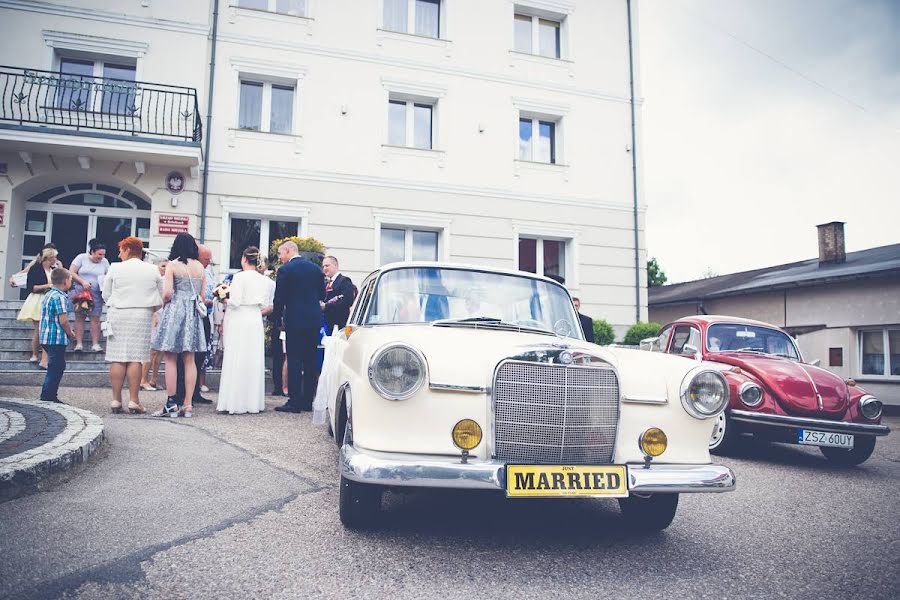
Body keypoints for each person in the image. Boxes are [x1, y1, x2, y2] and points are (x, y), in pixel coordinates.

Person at [102, 237, 163, 414]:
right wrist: (152, 308)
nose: (119, 253)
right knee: (135, 357)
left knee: (118, 357)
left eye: (121, 250)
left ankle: (115, 400)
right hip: (141, 314)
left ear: (128, 249)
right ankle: (134, 400)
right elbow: (159, 294)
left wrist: (114, 302)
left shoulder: (115, 267)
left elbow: (106, 293)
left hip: (118, 313)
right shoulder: (152, 269)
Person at [151, 232, 207, 418]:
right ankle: (188, 404)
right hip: (192, 313)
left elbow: (167, 293)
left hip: (175, 311)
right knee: (190, 359)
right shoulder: (200, 267)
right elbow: (202, 297)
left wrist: (163, 304)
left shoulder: (172, 265)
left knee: (171, 358)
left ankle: (171, 403)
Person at [217, 247, 275, 414]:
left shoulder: (239, 277)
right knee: (252, 358)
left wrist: (223, 297)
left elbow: (235, 301)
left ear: (244, 259)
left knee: (237, 356)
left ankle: (234, 402)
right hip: (255, 318)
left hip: (240, 318)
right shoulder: (266, 281)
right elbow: (266, 304)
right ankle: (252, 403)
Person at [272, 241, 325, 413]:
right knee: (310, 360)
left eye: (280, 254)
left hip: (294, 319)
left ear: (288, 251)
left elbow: (279, 298)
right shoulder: (316, 269)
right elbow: (322, 294)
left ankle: (294, 401)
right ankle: (308, 400)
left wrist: (277, 319)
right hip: (313, 320)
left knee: (294, 359)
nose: (280, 258)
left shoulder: (285, 270)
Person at [17, 248, 59, 369]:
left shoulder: (54, 269)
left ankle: (44, 359)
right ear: (49, 258)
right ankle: (35, 354)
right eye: (54, 257)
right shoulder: (36, 269)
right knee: (39, 328)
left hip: (50, 299)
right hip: (37, 299)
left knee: (48, 329)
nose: (55, 259)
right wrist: (48, 285)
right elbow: (32, 287)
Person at [39, 267, 75, 403]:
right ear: (66, 281)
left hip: (46, 337)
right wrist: (70, 333)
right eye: (70, 279)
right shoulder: (60, 297)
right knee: (56, 367)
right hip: (56, 338)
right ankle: (48, 396)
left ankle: (48, 394)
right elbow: (63, 320)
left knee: (56, 365)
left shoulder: (48, 294)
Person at [69, 238, 111, 352]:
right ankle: (78, 343)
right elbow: (71, 272)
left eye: (103, 254)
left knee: (95, 317)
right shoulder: (81, 258)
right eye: (99, 254)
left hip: (96, 293)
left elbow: (108, 275)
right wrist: (83, 282)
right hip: (81, 292)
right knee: (79, 317)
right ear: (92, 252)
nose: (101, 257)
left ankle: (95, 344)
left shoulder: (105, 262)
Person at [141, 259, 168, 391]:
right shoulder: (154, 281)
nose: (165, 269)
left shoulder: (168, 280)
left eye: (167, 267)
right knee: (151, 350)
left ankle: (154, 379)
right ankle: (143, 379)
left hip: (165, 315)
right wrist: (154, 315)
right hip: (156, 314)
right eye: (163, 266)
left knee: (160, 351)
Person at [320, 255, 355, 334]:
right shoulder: (326, 283)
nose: (324, 268)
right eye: (323, 266)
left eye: (327, 265)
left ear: (335, 265)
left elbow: (348, 301)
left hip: (340, 325)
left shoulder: (344, 281)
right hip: (327, 325)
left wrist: (326, 306)